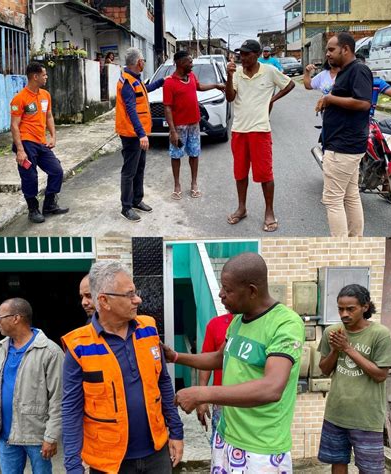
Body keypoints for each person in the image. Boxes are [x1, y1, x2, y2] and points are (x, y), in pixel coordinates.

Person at [163, 252, 305, 473]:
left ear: (251, 291)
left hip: (261, 447)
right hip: (227, 435)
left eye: (227, 290)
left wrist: (203, 394)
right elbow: (220, 357)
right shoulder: (239, 320)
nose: (221, 294)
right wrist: (177, 357)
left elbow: (272, 388)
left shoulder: (285, 324)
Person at [62, 261, 184, 473]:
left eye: (135, 292)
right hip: (109, 463)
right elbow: (71, 409)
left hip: (157, 454)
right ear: (104, 301)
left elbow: (163, 381)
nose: (138, 299)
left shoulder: (149, 327)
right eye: (129, 295)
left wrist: (176, 432)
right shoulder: (78, 346)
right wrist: (73, 466)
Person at [317, 284, 391, 474]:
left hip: (366, 417)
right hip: (336, 414)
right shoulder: (333, 333)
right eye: (340, 309)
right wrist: (336, 349)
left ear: (365, 307)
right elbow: (325, 370)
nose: (344, 314)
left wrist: (348, 349)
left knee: (370, 469)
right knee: (337, 462)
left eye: (350, 309)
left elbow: (380, 375)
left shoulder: (380, 334)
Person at [0, 297, 64, 474]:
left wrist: (51, 437)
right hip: (6, 436)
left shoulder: (50, 352)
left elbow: (58, 399)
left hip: (37, 436)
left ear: (16, 318)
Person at [225, 39, 295, 232]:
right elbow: (230, 97)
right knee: (240, 172)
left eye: (247, 54)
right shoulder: (237, 73)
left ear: (256, 55)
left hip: (260, 130)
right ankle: (242, 208)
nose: (243, 57)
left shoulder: (269, 71)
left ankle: (269, 212)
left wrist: (272, 99)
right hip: (239, 130)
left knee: (265, 174)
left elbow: (289, 85)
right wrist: (229, 77)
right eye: (241, 54)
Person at [315, 32, 373, 237]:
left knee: (332, 199)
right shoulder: (347, 71)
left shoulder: (359, 70)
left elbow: (364, 102)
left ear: (345, 49)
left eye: (331, 49)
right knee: (350, 196)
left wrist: (330, 99)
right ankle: (354, 240)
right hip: (344, 145)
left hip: (343, 147)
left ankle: (340, 247)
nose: (327, 54)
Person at [10, 62, 69, 224]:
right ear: (35, 77)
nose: (46, 77)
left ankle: (49, 205)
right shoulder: (19, 98)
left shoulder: (45, 95)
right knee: (30, 177)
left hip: (41, 142)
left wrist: (53, 137)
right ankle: (33, 209)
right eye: (44, 74)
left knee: (56, 171)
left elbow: (49, 116)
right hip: (26, 142)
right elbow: (14, 125)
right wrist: (20, 150)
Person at [163, 51, 225, 200]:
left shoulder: (191, 76)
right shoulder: (169, 82)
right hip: (179, 126)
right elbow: (167, 108)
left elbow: (199, 86)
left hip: (194, 124)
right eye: (189, 62)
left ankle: (194, 184)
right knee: (176, 155)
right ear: (180, 63)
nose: (192, 64)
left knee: (194, 154)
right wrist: (172, 131)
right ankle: (177, 185)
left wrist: (216, 85)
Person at [115, 47, 166, 222]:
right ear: (139, 62)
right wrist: (141, 134)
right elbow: (131, 110)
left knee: (139, 168)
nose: (144, 62)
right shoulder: (128, 82)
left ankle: (137, 200)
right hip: (132, 134)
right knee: (129, 171)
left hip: (138, 133)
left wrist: (161, 82)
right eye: (143, 59)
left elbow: (145, 90)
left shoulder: (135, 80)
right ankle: (126, 207)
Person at [195, 312, 233, 444]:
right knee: (219, 448)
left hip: (251, 402)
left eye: (229, 291)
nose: (222, 296)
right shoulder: (215, 324)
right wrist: (201, 397)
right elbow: (207, 361)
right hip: (221, 402)